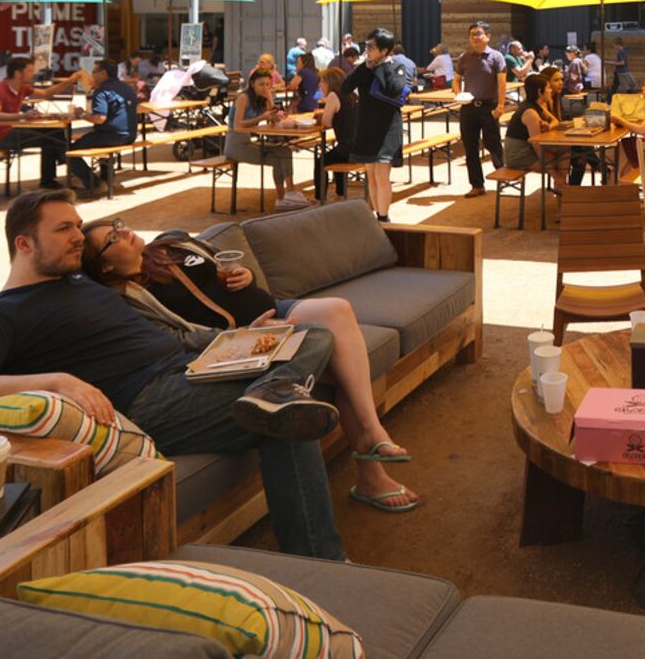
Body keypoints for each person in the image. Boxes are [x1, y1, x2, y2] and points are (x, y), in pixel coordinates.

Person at [0, 189, 347, 558]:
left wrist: (235, 340)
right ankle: (324, 556)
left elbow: (148, 300)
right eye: (64, 228)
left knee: (313, 337)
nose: (78, 237)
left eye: (79, 226)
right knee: (290, 414)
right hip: (149, 398)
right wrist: (57, 381)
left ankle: (272, 395)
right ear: (24, 243)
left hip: (193, 368)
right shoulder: (9, 312)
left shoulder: (75, 280)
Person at [80, 217, 419, 513]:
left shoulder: (171, 241)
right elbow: (178, 340)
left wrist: (246, 275)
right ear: (105, 267)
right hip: (243, 338)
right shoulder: (127, 300)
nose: (124, 233)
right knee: (336, 347)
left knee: (337, 311)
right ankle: (371, 467)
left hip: (274, 310)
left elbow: (227, 271)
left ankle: (372, 449)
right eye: (113, 238)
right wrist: (241, 334)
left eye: (120, 225)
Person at [343, 28, 407, 221]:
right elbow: (346, 87)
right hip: (366, 127)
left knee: (381, 173)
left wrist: (381, 67)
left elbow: (393, 89)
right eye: (366, 45)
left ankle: (383, 216)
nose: (367, 49)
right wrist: (365, 67)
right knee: (371, 174)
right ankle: (377, 214)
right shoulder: (365, 68)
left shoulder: (396, 67)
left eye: (371, 46)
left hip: (388, 128)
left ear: (385, 50)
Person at [0, 57, 89, 189]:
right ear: (18, 73)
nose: (33, 74)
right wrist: (22, 116)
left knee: (54, 133)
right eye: (29, 71)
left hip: (13, 130)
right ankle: (74, 173)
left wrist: (69, 81)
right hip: (1, 136)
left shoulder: (22, 88)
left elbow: (46, 93)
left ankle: (53, 177)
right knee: (52, 138)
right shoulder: (0, 89)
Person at [225, 68, 308, 211]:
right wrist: (261, 118)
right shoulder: (243, 98)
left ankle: (289, 194)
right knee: (278, 159)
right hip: (236, 146)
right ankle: (284, 198)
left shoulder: (261, 99)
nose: (265, 87)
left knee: (285, 151)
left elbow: (274, 118)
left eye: (267, 84)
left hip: (248, 142)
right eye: (261, 84)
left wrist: (269, 98)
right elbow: (238, 125)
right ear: (252, 84)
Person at [64, 59, 138, 197]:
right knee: (95, 140)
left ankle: (95, 184)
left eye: (94, 72)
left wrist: (81, 114)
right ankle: (106, 178)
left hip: (111, 136)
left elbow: (99, 119)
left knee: (69, 151)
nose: (92, 75)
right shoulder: (126, 88)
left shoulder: (102, 91)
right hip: (130, 135)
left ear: (103, 73)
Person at [452, 21, 506, 199]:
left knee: (493, 144)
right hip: (468, 108)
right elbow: (456, 80)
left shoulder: (497, 57)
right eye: (472, 34)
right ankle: (477, 185)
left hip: (489, 106)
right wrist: (459, 94)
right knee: (470, 147)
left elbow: (502, 83)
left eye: (479, 33)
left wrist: (500, 105)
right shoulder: (464, 58)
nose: (475, 37)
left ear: (488, 36)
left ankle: (503, 178)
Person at [503, 74, 569, 191]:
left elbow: (555, 121)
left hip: (527, 149)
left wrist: (548, 127)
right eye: (548, 88)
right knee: (559, 160)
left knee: (564, 150)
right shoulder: (530, 113)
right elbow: (537, 145)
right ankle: (561, 185)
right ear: (540, 91)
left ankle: (561, 187)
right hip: (518, 155)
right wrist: (554, 174)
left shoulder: (537, 105)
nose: (550, 90)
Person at [315, 66, 358, 198]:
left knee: (320, 161)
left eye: (321, 81)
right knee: (336, 155)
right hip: (360, 147)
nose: (319, 85)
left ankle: (320, 197)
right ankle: (340, 193)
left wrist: (321, 117)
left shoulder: (334, 95)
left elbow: (326, 123)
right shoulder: (353, 94)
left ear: (329, 82)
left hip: (348, 148)